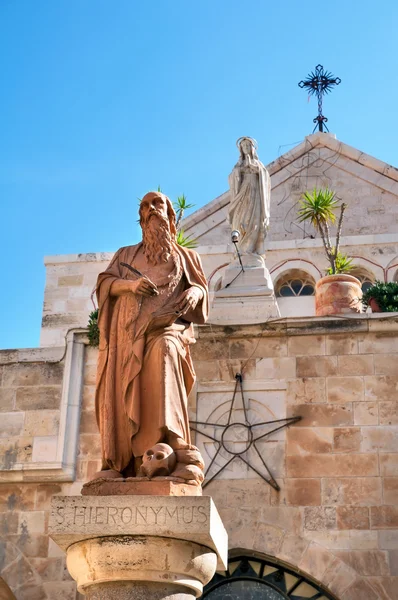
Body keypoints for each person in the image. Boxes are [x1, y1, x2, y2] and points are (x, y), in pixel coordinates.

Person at [94, 191, 208, 482]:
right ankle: (128, 460)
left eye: (157, 204)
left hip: (167, 329)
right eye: (145, 206)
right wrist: (131, 286)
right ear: (141, 218)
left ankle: (172, 443)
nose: (151, 209)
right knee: (125, 386)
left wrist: (195, 292)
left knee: (166, 350)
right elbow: (105, 283)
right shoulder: (126, 255)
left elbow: (202, 292)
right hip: (128, 335)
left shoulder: (187, 257)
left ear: (170, 215)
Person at [228, 137, 271, 255]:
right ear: (241, 149)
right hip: (242, 193)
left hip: (255, 194)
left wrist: (256, 169)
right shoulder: (238, 165)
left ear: (252, 148)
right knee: (241, 220)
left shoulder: (258, 164)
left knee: (254, 221)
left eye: (248, 146)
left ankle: (251, 249)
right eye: (244, 146)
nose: (246, 148)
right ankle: (241, 249)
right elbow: (232, 178)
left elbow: (265, 177)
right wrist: (239, 171)